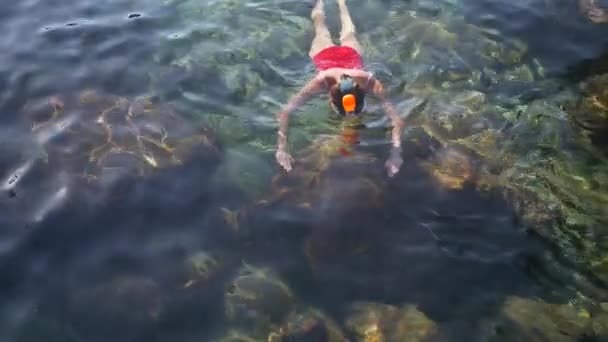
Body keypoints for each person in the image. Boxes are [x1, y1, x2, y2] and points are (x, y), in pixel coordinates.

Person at [275, 0, 405, 177]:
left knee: (335, 28)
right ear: (330, 97)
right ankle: (330, 2)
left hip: (346, 57)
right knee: (332, 28)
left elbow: (286, 111)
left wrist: (396, 154)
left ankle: (338, 2)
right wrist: (281, 149)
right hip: (327, 56)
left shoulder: (368, 82)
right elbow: (396, 119)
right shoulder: (323, 81)